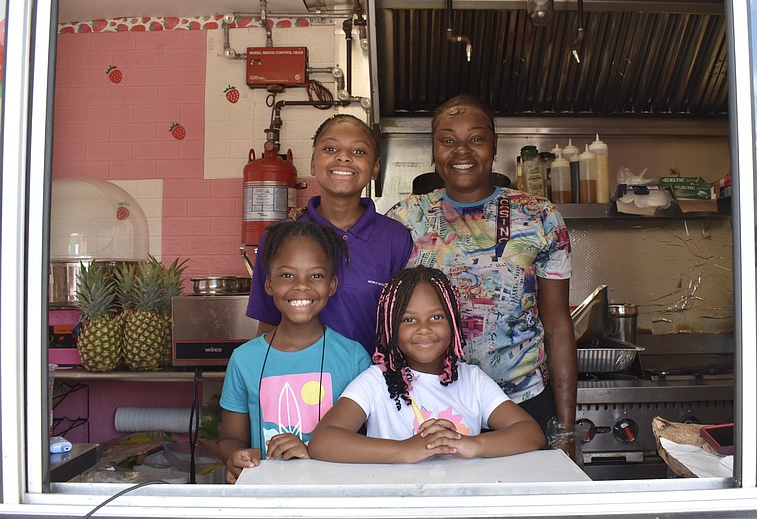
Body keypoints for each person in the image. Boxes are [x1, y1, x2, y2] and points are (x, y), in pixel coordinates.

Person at [386, 94, 578, 446]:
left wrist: (565, 430)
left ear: (494, 146)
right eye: (447, 140)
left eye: (476, 138)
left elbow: (557, 323)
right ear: (433, 151)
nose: (462, 151)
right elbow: (385, 317)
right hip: (428, 408)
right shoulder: (404, 218)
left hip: (523, 404)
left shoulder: (540, 216)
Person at [308, 266, 546, 463]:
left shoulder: (472, 380)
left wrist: (470, 444)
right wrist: (405, 450)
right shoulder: (375, 381)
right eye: (409, 320)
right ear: (390, 328)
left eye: (436, 317)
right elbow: (324, 441)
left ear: (453, 321)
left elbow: (531, 433)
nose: (424, 329)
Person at [247, 114, 414, 353]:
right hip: (298, 383)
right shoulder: (280, 237)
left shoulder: (396, 238)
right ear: (313, 162)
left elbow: (405, 327)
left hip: (373, 384)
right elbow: (267, 324)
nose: (343, 157)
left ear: (375, 167)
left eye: (358, 152)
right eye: (330, 148)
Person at [219, 221, 371, 483]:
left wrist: (311, 451)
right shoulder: (244, 360)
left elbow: (368, 441)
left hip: (333, 497)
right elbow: (229, 439)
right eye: (287, 275)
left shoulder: (354, 358)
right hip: (266, 496)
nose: (301, 286)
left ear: (332, 285)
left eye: (316, 276)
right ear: (268, 284)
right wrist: (236, 455)